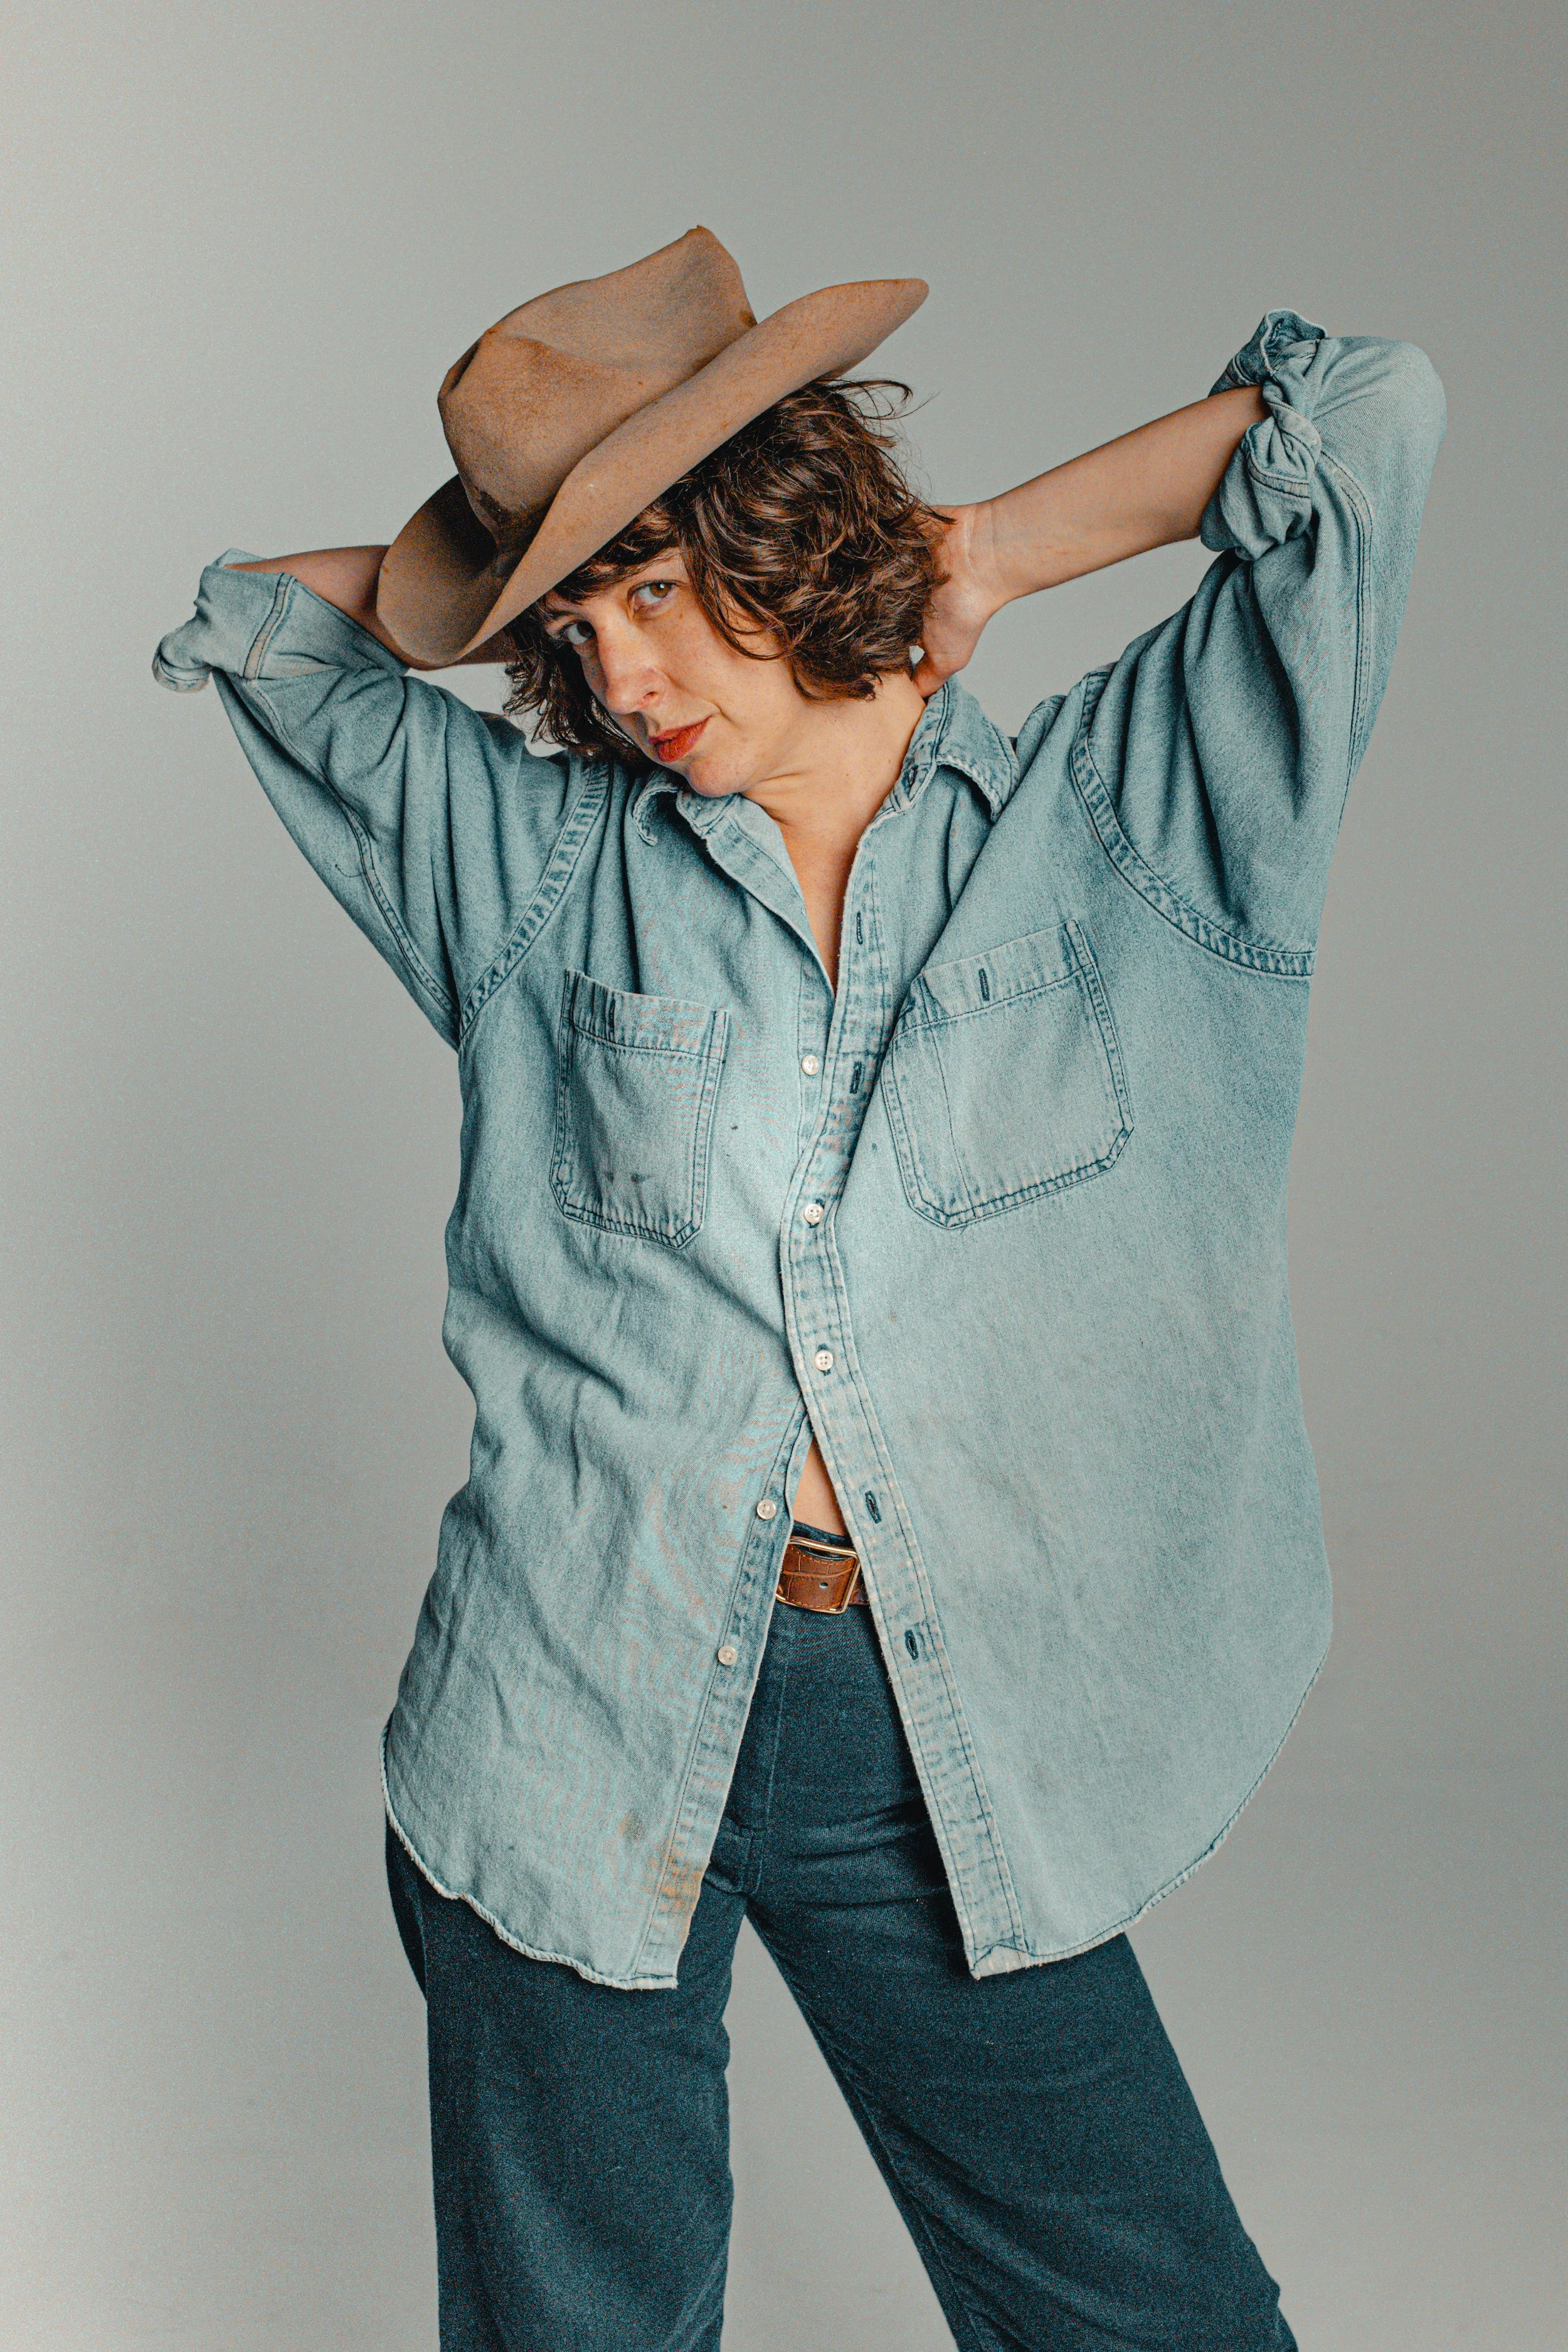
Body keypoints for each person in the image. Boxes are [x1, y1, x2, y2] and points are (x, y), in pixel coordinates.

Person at [154, 227, 1444, 2351]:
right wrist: (515, 561)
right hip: (565, 1700)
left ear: (790, 518)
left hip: (933, 1735)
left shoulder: (1135, 825)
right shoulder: (536, 870)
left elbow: (1369, 418)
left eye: (657, 587)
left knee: (1161, 2320)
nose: (619, 674)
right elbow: (258, 624)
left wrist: (984, 553)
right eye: (574, 623)